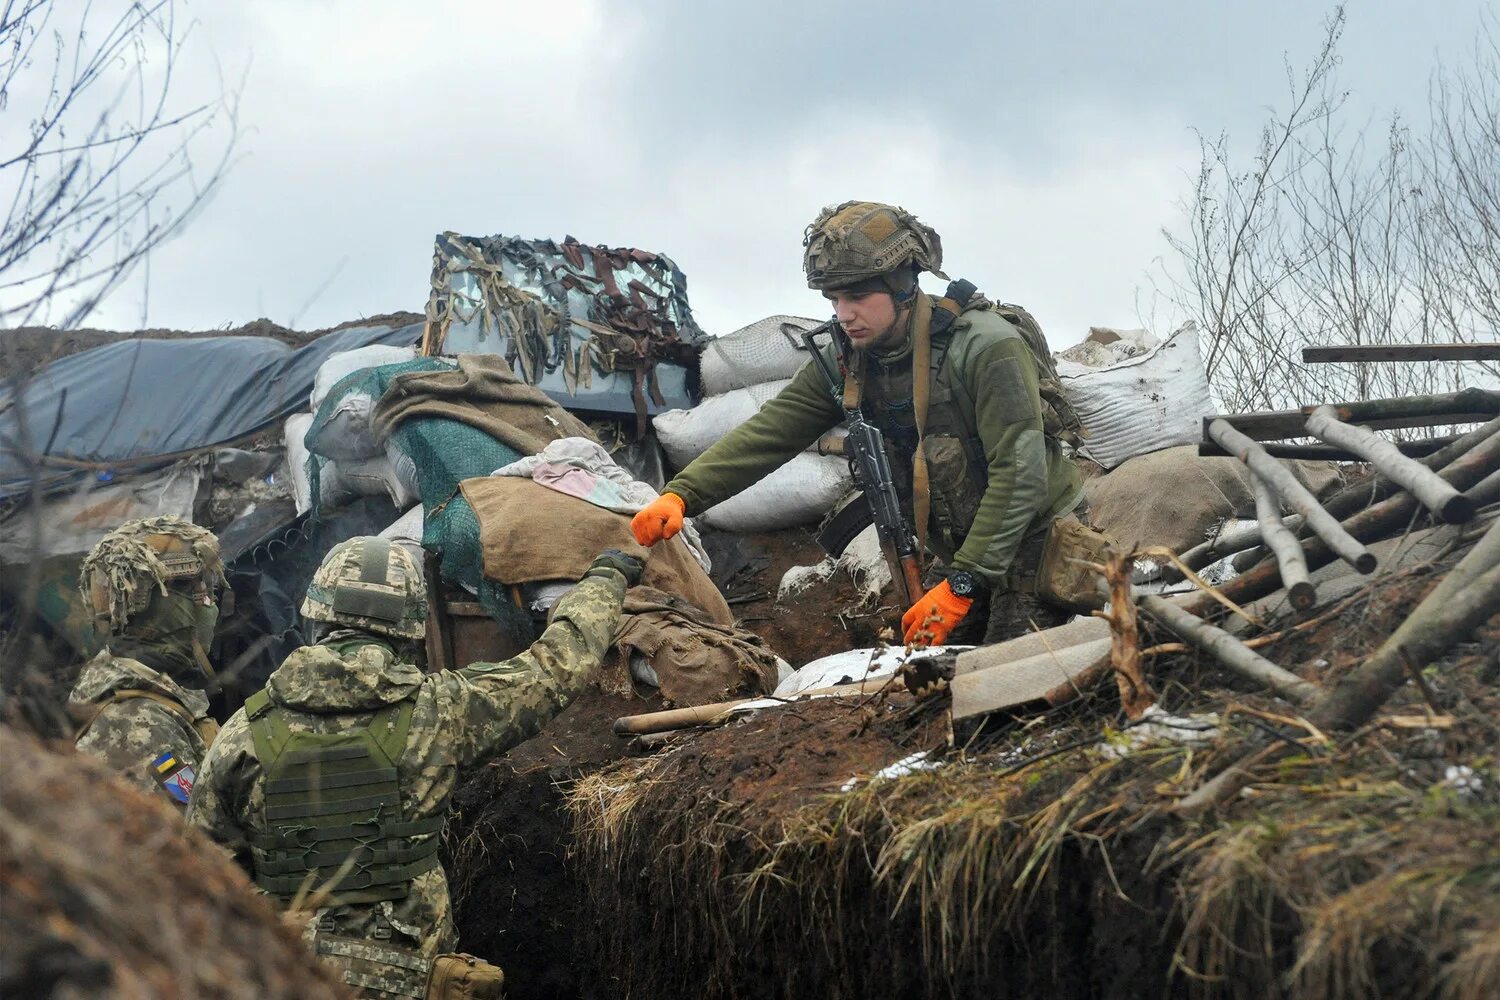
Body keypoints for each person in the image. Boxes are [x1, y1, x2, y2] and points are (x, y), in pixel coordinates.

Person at [187, 536, 641, 998]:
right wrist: (606, 579)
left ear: (316, 615)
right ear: (410, 627)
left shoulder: (240, 733)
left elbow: (202, 877)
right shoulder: (443, 712)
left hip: (285, 979)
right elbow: (556, 667)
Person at [633, 201, 1099, 646]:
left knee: (1009, 683)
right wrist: (682, 494)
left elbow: (1020, 475)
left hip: (1036, 540)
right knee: (928, 671)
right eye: (833, 298)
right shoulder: (848, 359)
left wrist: (965, 581)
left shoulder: (984, 347)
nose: (843, 313)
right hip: (961, 546)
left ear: (902, 287)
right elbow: (772, 431)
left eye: (857, 296)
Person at [68, 515, 225, 808]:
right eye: (191, 590)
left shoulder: (150, 698)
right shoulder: (138, 721)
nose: (207, 603)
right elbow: (194, 844)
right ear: (144, 605)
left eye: (205, 589)